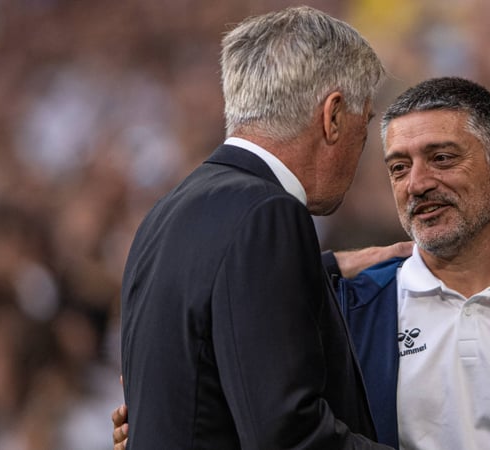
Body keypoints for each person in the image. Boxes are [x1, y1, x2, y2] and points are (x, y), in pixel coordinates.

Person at [115, 77, 490, 449]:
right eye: (398, 167)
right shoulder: (341, 311)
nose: (418, 183)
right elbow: (270, 426)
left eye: (442, 158)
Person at [118, 6, 394, 449]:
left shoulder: (166, 212)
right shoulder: (269, 213)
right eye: (366, 123)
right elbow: (289, 436)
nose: (364, 146)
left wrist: (323, 269)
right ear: (333, 115)